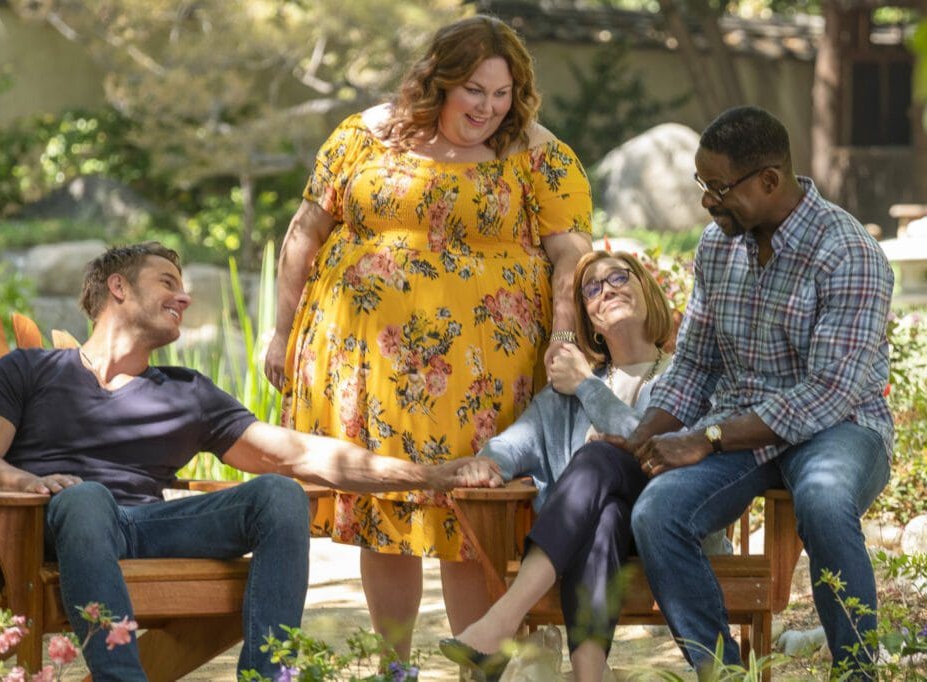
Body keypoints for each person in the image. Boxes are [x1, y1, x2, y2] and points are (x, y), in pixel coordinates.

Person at [0, 242, 502, 682]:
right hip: (58, 524)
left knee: (279, 494)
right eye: (168, 283)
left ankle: (268, 675)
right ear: (118, 288)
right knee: (86, 498)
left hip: (149, 526)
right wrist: (27, 481)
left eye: (184, 287)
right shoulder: (30, 370)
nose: (184, 298)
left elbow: (301, 453)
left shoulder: (187, 393)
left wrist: (430, 475)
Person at [264, 15, 593, 658]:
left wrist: (562, 336)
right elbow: (304, 233)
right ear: (438, 81)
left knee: (472, 514)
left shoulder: (538, 153)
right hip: (371, 368)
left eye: (502, 94)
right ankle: (395, 667)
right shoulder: (362, 136)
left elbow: (571, 254)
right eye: (474, 90)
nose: (487, 108)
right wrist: (280, 334)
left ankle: (477, 663)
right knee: (386, 509)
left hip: (485, 373)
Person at [612, 106, 893, 679]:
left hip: (841, 427)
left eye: (719, 187)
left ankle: (857, 672)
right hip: (741, 430)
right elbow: (695, 363)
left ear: (769, 180)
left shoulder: (849, 253)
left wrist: (707, 438)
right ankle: (723, 673)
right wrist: (641, 437)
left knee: (824, 499)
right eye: (703, 183)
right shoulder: (718, 247)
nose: (706, 201)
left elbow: (827, 393)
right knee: (658, 512)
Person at [438, 251, 729, 681]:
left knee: (597, 457)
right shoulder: (568, 389)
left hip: (672, 533)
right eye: (593, 288)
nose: (606, 289)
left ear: (647, 291)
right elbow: (514, 442)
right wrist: (488, 464)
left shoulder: (686, 377)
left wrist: (588, 386)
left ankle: (501, 621)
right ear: (590, 323)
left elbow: (663, 452)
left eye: (618, 277)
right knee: (606, 513)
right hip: (592, 539)